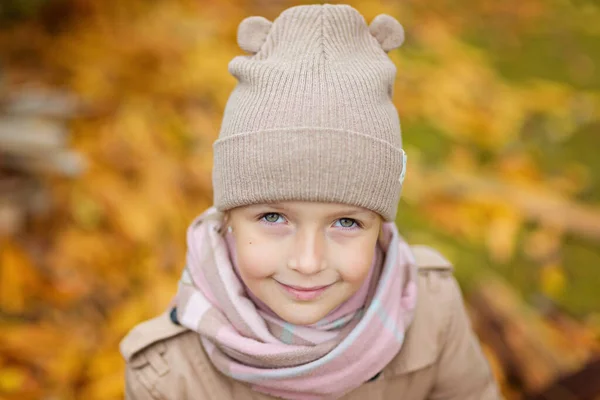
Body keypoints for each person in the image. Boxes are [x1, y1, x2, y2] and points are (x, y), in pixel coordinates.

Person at [120, 4, 501, 399]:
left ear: (380, 226)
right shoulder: (166, 376)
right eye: (272, 217)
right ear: (228, 218)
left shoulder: (431, 308)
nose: (308, 262)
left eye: (347, 223)